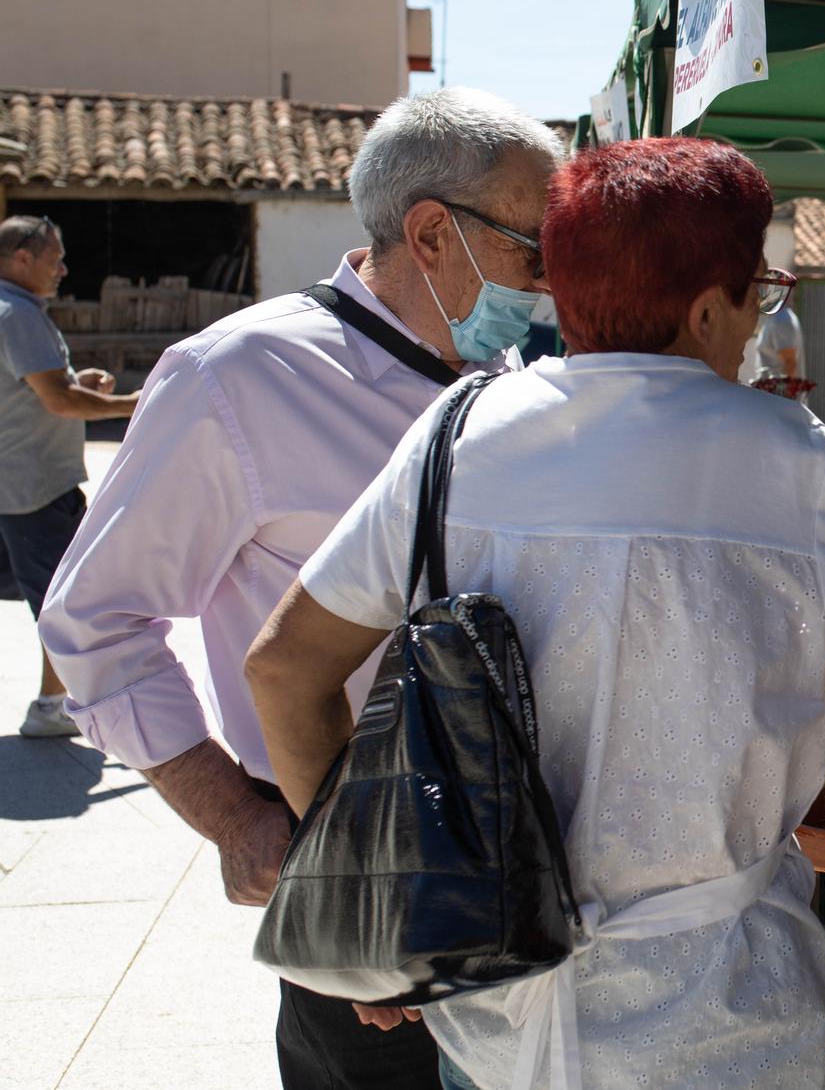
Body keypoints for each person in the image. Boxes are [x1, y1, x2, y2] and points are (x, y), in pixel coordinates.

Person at [244, 136, 825, 1090]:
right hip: (715, 1025)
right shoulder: (780, 454)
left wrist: (375, 893)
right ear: (711, 307)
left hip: (493, 1013)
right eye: (759, 290)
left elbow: (283, 667)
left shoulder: (461, 430)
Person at [39, 86, 563, 1089]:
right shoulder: (238, 376)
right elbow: (92, 616)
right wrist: (231, 810)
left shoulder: (506, 376)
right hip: (364, 850)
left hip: (520, 850)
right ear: (432, 233)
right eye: (532, 251)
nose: (548, 280)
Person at [0, 216, 140, 736]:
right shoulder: (17, 314)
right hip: (33, 487)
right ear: (22, 258)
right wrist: (131, 403)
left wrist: (75, 381)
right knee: (60, 602)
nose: (63, 268)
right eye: (54, 257)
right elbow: (57, 401)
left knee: (57, 592)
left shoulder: (15, 310)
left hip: (23, 482)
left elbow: (39, 388)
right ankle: (49, 707)